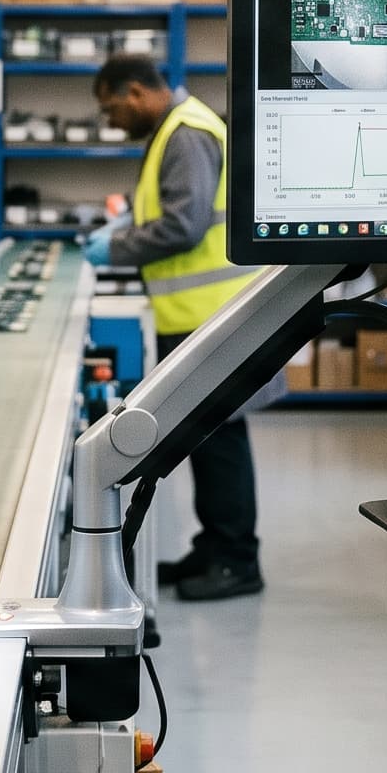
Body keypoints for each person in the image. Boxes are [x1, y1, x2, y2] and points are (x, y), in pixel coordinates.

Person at [84, 53, 274, 601]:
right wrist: (129, 223)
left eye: (111, 108)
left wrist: (117, 246)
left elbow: (185, 227)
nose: (111, 120)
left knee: (221, 441)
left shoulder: (186, 133)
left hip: (213, 316)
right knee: (205, 441)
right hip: (196, 317)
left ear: (136, 92)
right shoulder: (174, 130)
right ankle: (214, 548)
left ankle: (237, 561)